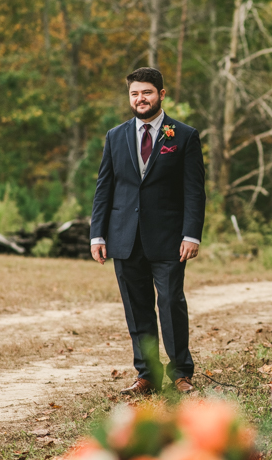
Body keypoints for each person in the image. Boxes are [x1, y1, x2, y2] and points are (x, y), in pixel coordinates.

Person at [90, 67, 206, 395]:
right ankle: (147, 375)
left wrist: (191, 233)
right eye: (135, 94)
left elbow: (194, 190)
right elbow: (105, 187)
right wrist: (97, 234)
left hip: (169, 239)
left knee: (170, 303)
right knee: (137, 308)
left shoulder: (183, 136)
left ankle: (181, 373)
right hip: (124, 238)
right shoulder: (116, 136)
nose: (140, 99)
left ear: (161, 95)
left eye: (147, 93)